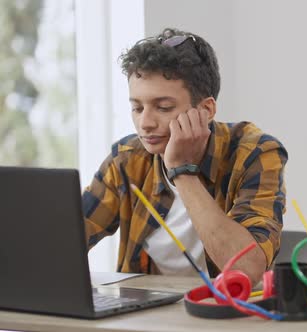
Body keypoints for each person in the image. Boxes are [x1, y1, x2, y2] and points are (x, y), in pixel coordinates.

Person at [83, 28, 287, 285]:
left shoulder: (255, 153)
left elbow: (245, 268)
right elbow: (65, 241)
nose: (144, 123)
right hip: (146, 319)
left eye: (163, 107)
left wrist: (182, 171)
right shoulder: (127, 159)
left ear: (206, 109)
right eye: (136, 107)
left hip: (231, 317)